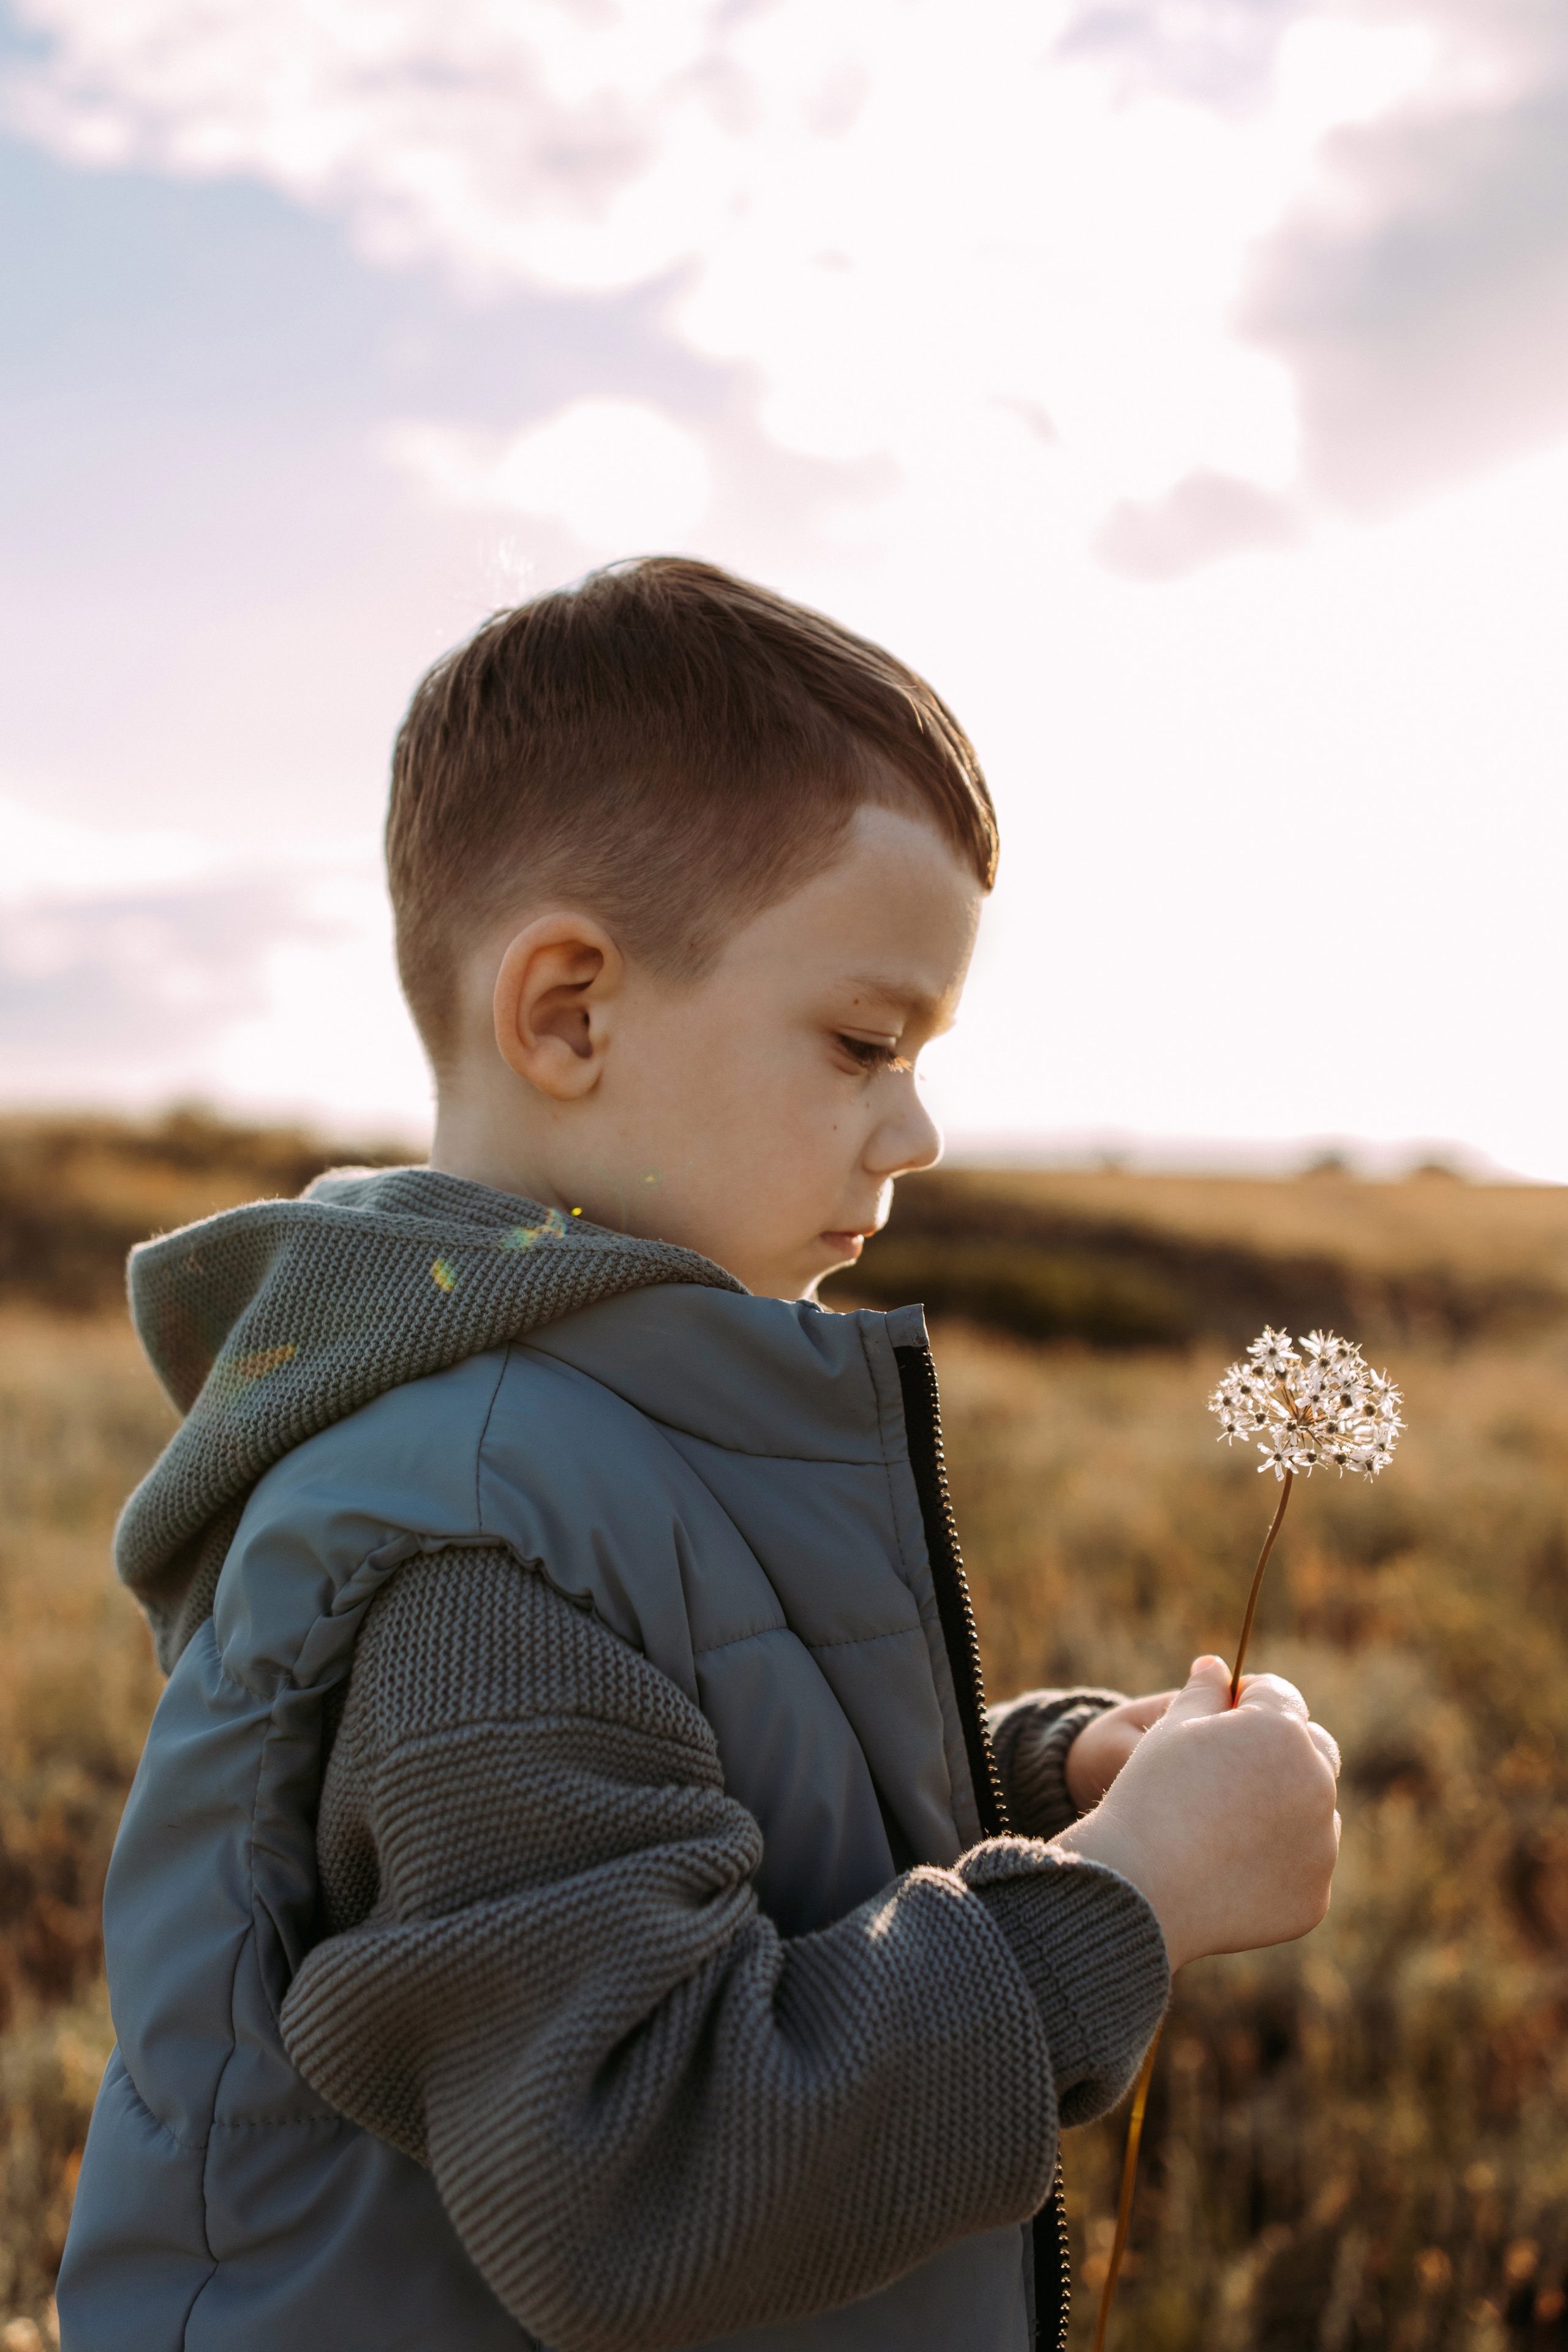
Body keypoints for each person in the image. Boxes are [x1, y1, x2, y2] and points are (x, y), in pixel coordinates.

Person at [58, 559, 1341, 2352]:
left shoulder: (584, 1446)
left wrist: (1046, 1786)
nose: (919, 1127)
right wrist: (1122, 1905)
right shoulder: (478, 1538)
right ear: (570, 1012)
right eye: (864, 1040)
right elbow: (641, 2174)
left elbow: (701, 1801)